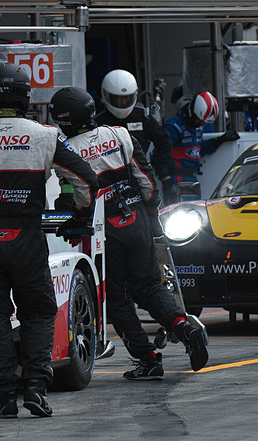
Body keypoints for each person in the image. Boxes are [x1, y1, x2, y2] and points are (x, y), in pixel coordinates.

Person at [0, 63, 99, 419]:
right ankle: (37, 390)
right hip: (27, 238)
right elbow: (86, 179)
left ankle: (5, 398)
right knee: (39, 312)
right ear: (27, 97)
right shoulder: (46, 135)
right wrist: (78, 220)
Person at [49, 86, 209, 381]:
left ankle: (148, 360)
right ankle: (184, 327)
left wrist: (72, 221)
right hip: (136, 220)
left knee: (114, 299)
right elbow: (147, 181)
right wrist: (151, 217)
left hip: (102, 231)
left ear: (63, 119)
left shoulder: (66, 151)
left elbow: (73, 197)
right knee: (149, 287)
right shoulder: (119, 134)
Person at [162, 91, 240, 203]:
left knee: (195, 215)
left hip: (193, 180)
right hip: (176, 180)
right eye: (198, 121)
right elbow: (160, 155)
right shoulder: (173, 128)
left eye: (202, 123)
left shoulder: (197, 128)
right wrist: (167, 181)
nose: (199, 125)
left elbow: (198, 149)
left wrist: (220, 140)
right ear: (191, 112)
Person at [95, 69, 172, 175]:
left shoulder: (142, 115)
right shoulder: (98, 121)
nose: (122, 102)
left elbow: (165, 141)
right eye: (117, 98)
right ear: (106, 95)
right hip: (110, 178)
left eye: (126, 98)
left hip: (138, 176)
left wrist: (153, 170)